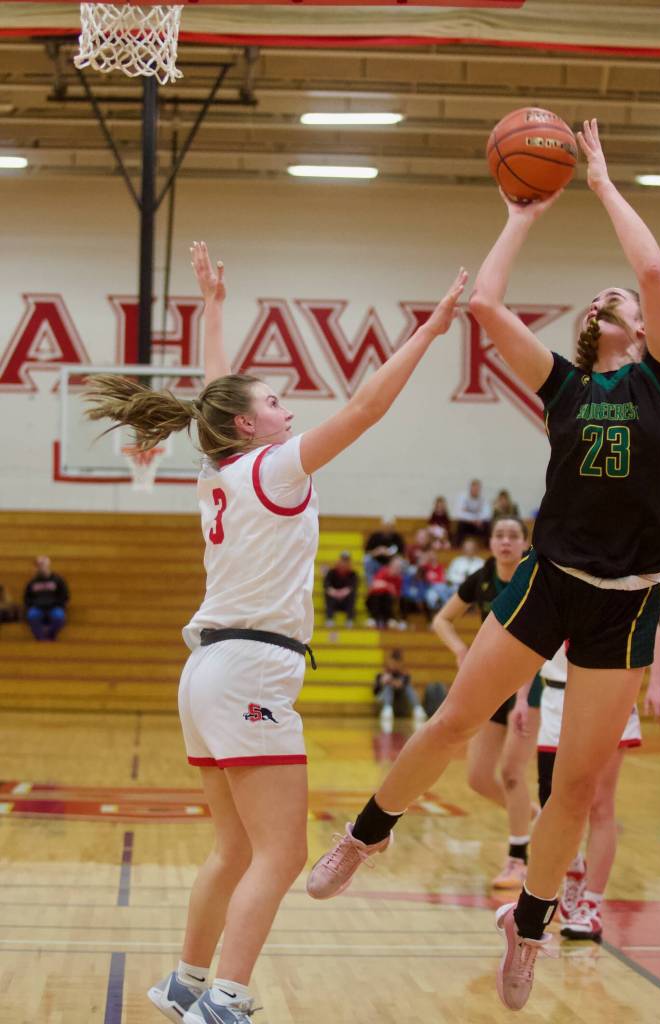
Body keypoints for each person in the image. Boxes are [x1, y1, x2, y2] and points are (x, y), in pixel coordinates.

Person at [306, 119, 660, 1012]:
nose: (625, 299)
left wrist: (600, 180)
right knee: (453, 719)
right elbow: (485, 307)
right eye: (611, 299)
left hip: (630, 602)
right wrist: (524, 210)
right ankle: (367, 836)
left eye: (627, 300)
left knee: (578, 782)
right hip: (552, 579)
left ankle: (528, 927)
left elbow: (655, 271)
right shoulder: (567, 385)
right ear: (599, 326)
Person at [84, 241, 466, 1024]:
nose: (289, 409)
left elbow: (214, 401)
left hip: (210, 671)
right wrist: (427, 334)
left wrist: (216, 308)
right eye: (277, 402)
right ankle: (224, 1001)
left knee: (233, 848)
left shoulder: (220, 470)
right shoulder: (274, 467)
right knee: (282, 853)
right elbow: (365, 408)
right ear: (250, 425)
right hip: (251, 668)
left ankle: (187, 983)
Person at [427, 515, 542, 889]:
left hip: (531, 685)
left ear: (525, 543)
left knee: (512, 773)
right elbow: (441, 621)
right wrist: (461, 648)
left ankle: (518, 860)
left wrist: (523, 696)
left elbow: (541, 643)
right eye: (499, 535)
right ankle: (533, 816)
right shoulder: (482, 578)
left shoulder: (534, 578)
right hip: (493, 683)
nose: (505, 541)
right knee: (478, 778)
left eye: (513, 536)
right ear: (491, 543)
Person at [538, 634, 660, 943]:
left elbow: (654, 629)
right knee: (552, 800)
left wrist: (656, 683)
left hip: (607, 694)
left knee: (599, 803)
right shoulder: (547, 583)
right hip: (555, 698)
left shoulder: (627, 583)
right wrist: (518, 699)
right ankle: (573, 866)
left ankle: (592, 904)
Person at [23, 555, 69, 641]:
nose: (41, 567)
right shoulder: (32, 582)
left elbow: (64, 595)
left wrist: (59, 605)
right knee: (32, 615)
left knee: (59, 617)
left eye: (42, 564)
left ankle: (50, 635)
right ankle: (41, 639)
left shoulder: (58, 580)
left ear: (48, 565)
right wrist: (32, 606)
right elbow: (27, 598)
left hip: (54, 607)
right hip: (38, 608)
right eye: (38, 565)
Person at [374, 649, 425, 727]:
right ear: (389, 661)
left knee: (408, 687)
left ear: (400, 663)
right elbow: (375, 692)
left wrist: (393, 682)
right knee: (388, 686)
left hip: (399, 701)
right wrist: (382, 683)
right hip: (384, 699)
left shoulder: (404, 675)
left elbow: (401, 685)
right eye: (393, 662)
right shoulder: (381, 674)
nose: (394, 665)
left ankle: (417, 708)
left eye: (397, 663)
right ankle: (387, 709)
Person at [366, 555, 405, 630]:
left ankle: (389, 620)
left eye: (399, 567)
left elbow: (396, 594)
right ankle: (375, 619)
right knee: (378, 596)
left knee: (388, 598)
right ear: (391, 565)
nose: (398, 569)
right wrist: (388, 586)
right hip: (373, 600)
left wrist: (385, 586)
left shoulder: (399, 578)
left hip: (387, 602)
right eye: (396, 566)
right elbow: (375, 584)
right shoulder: (383, 571)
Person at [363, 516, 404, 585]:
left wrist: (388, 553)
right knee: (367, 559)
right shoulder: (375, 536)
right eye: (386, 526)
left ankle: (396, 587)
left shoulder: (397, 538)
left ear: (393, 527)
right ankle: (372, 587)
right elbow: (367, 552)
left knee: (401, 562)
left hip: (391, 564)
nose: (388, 528)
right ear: (382, 526)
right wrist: (376, 552)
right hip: (376, 562)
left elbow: (401, 554)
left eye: (390, 526)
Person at [322, 552, 358, 628]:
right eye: (342, 560)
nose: (344, 563)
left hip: (346, 601)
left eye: (346, 561)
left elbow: (353, 586)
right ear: (339, 561)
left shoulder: (353, 574)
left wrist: (344, 592)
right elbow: (326, 585)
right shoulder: (331, 572)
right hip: (333, 599)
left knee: (352, 595)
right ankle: (329, 619)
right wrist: (334, 592)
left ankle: (349, 620)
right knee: (328, 594)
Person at [453, 478, 491, 546]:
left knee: (487, 525)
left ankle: (487, 548)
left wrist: (477, 520)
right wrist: (473, 520)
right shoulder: (463, 497)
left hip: (479, 525)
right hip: (467, 524)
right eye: (474, 488)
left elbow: (487, 514)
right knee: (460, 525)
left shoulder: (483, 499)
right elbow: (459, 514)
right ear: (470, 488)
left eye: (477, 488)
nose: (475, 490)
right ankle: (457, 548)